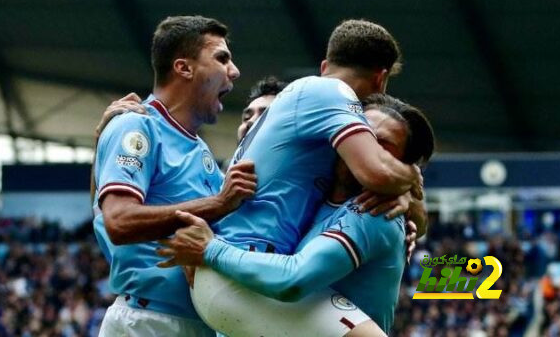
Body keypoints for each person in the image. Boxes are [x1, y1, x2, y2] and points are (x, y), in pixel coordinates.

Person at [158, 94, 436, 336]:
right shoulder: (310, 195)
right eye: (362, 135)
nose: (367, 149)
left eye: (383, 145)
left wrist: (209, 249)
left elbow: (295, 279)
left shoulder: (375, 212)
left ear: (399, 166)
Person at [92, 15, 257, 336]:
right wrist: (219, 203)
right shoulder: (136, 124)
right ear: (184, 68)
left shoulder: (200, 151)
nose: (234, 71)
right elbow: (118, 221)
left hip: (200, 322)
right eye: (221, 58)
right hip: (151, 322)